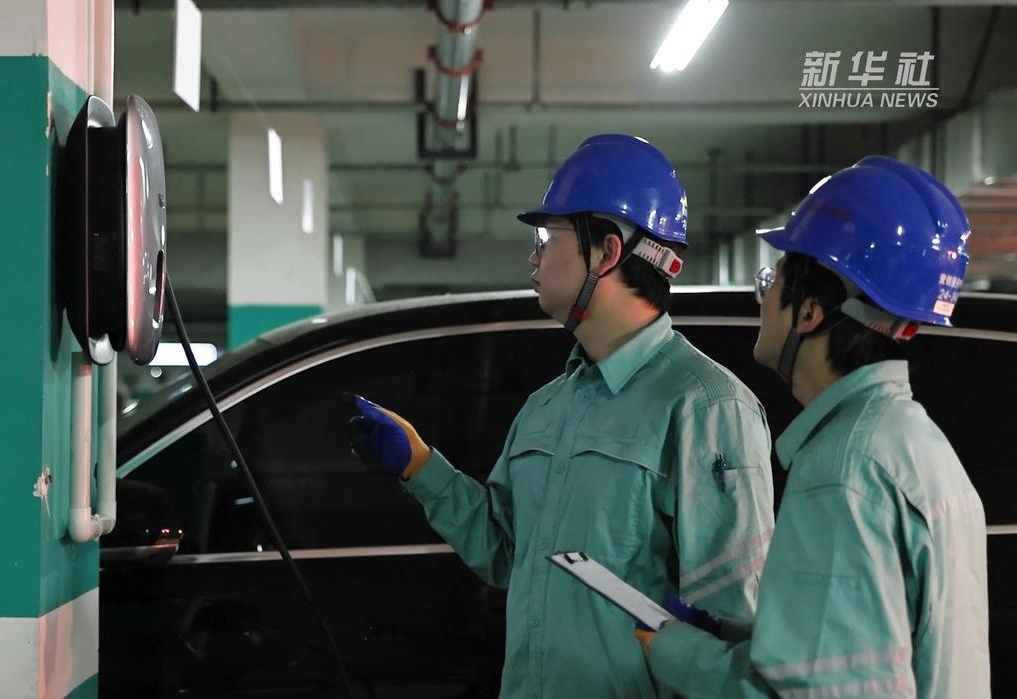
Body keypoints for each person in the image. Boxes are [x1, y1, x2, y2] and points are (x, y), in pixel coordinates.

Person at [346, 134, 775, 698]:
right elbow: (507, 554)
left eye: (548, 238)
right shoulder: (547, 407)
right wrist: (421, 466)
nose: (535, 256)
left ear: (607, 252)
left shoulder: (708, 407)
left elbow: (732, 631)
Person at [638, 155, 990, 698]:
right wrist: (747, 635)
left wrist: (672, 650)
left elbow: (806, 692)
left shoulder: (843, 471)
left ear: (809, 312)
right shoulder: (918, 446)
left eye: (773, 280)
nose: (763, 299)